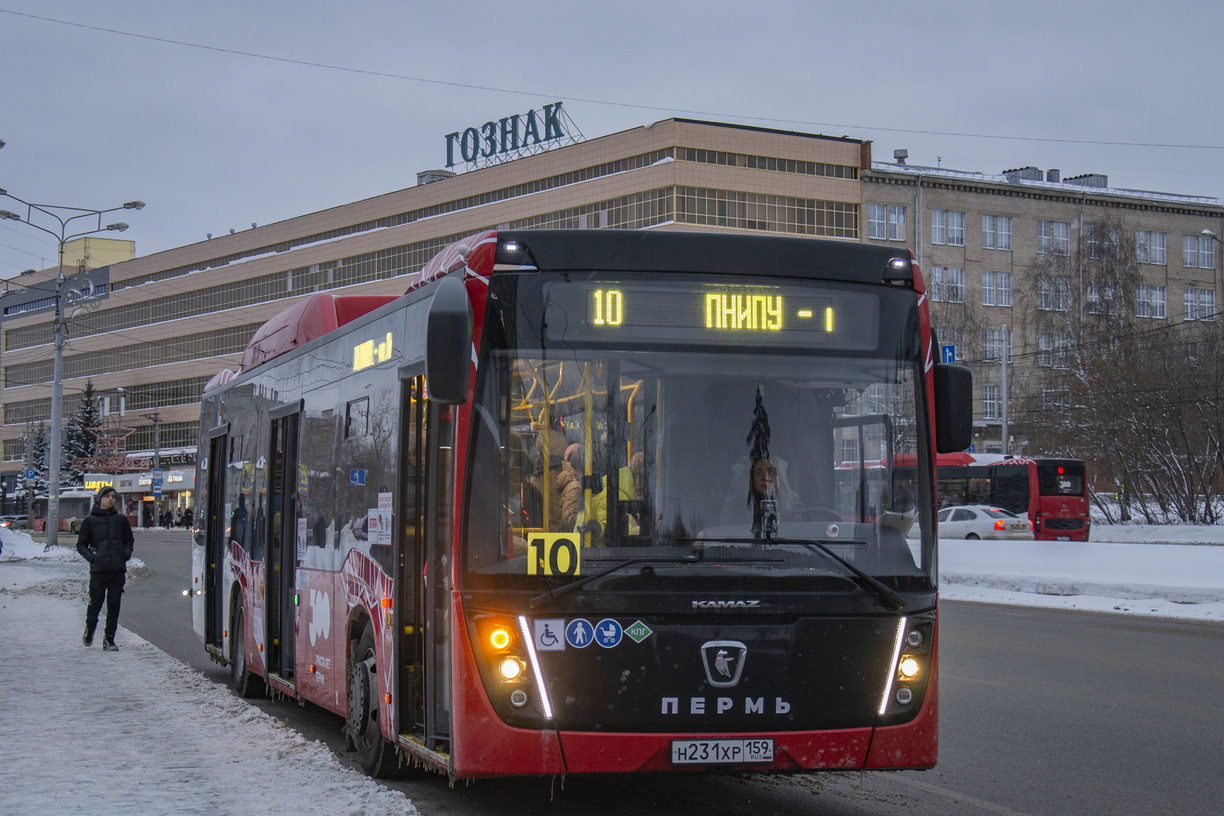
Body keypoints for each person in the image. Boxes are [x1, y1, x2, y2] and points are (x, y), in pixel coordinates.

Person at [76, 486, 135, 651]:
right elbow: (81, 545)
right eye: (107, 496)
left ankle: (109, 639)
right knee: (95, 603)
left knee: (114, 605)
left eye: (113, 497)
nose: (110, 499)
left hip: (117, 569)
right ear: (100, 499)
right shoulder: (90, 521)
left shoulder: (121, 520)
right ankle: (90, 629)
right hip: (99, 570)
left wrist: (126, 553)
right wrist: (92, 558)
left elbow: (129, 540)